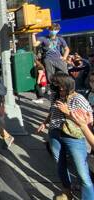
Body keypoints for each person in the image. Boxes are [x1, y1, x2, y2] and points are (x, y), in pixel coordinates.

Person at [37, 72, 94, 200]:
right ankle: (67, 193)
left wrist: (67, 111)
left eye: (60, 84)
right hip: (55, 133)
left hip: (73, 136)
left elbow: (88, 119)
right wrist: (45, 123)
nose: (58, 87)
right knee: (60, 164)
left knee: (82, 173)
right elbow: (52, 110)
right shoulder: (55, 96)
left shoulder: (77, 98)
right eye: (55, 84)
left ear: (66, 84)